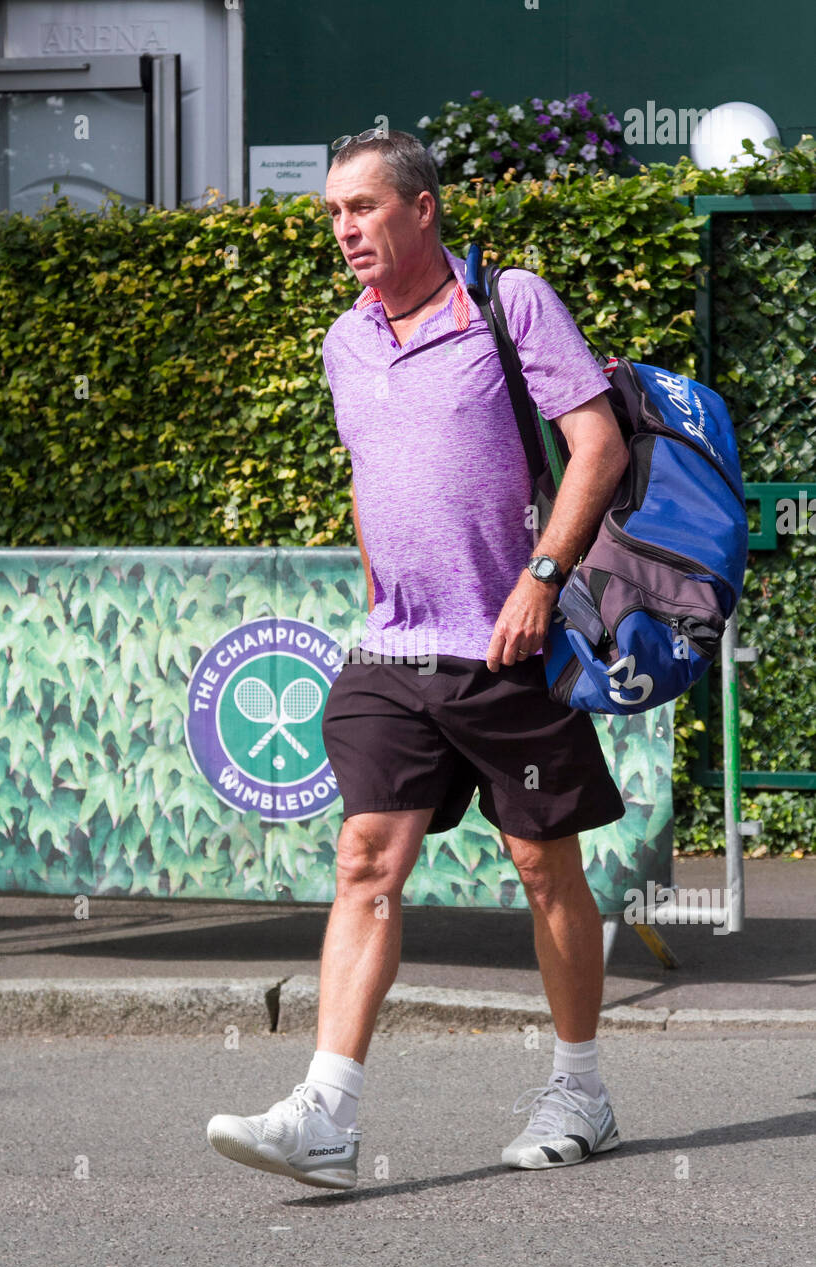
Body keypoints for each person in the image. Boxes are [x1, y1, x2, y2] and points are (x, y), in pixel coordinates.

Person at [207, 130, 630, 1190]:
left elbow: (598, 446)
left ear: (421, 208)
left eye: (362, 207)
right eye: (333, 214)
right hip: (394, 653)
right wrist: (376, 591)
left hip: (507, 644)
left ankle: (579, 1088)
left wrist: (539, 580)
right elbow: (367, 475)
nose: (345, 230)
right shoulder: (343, 342)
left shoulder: (508, 303)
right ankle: (326, 1113)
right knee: (365, 860)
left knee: (543, 866)